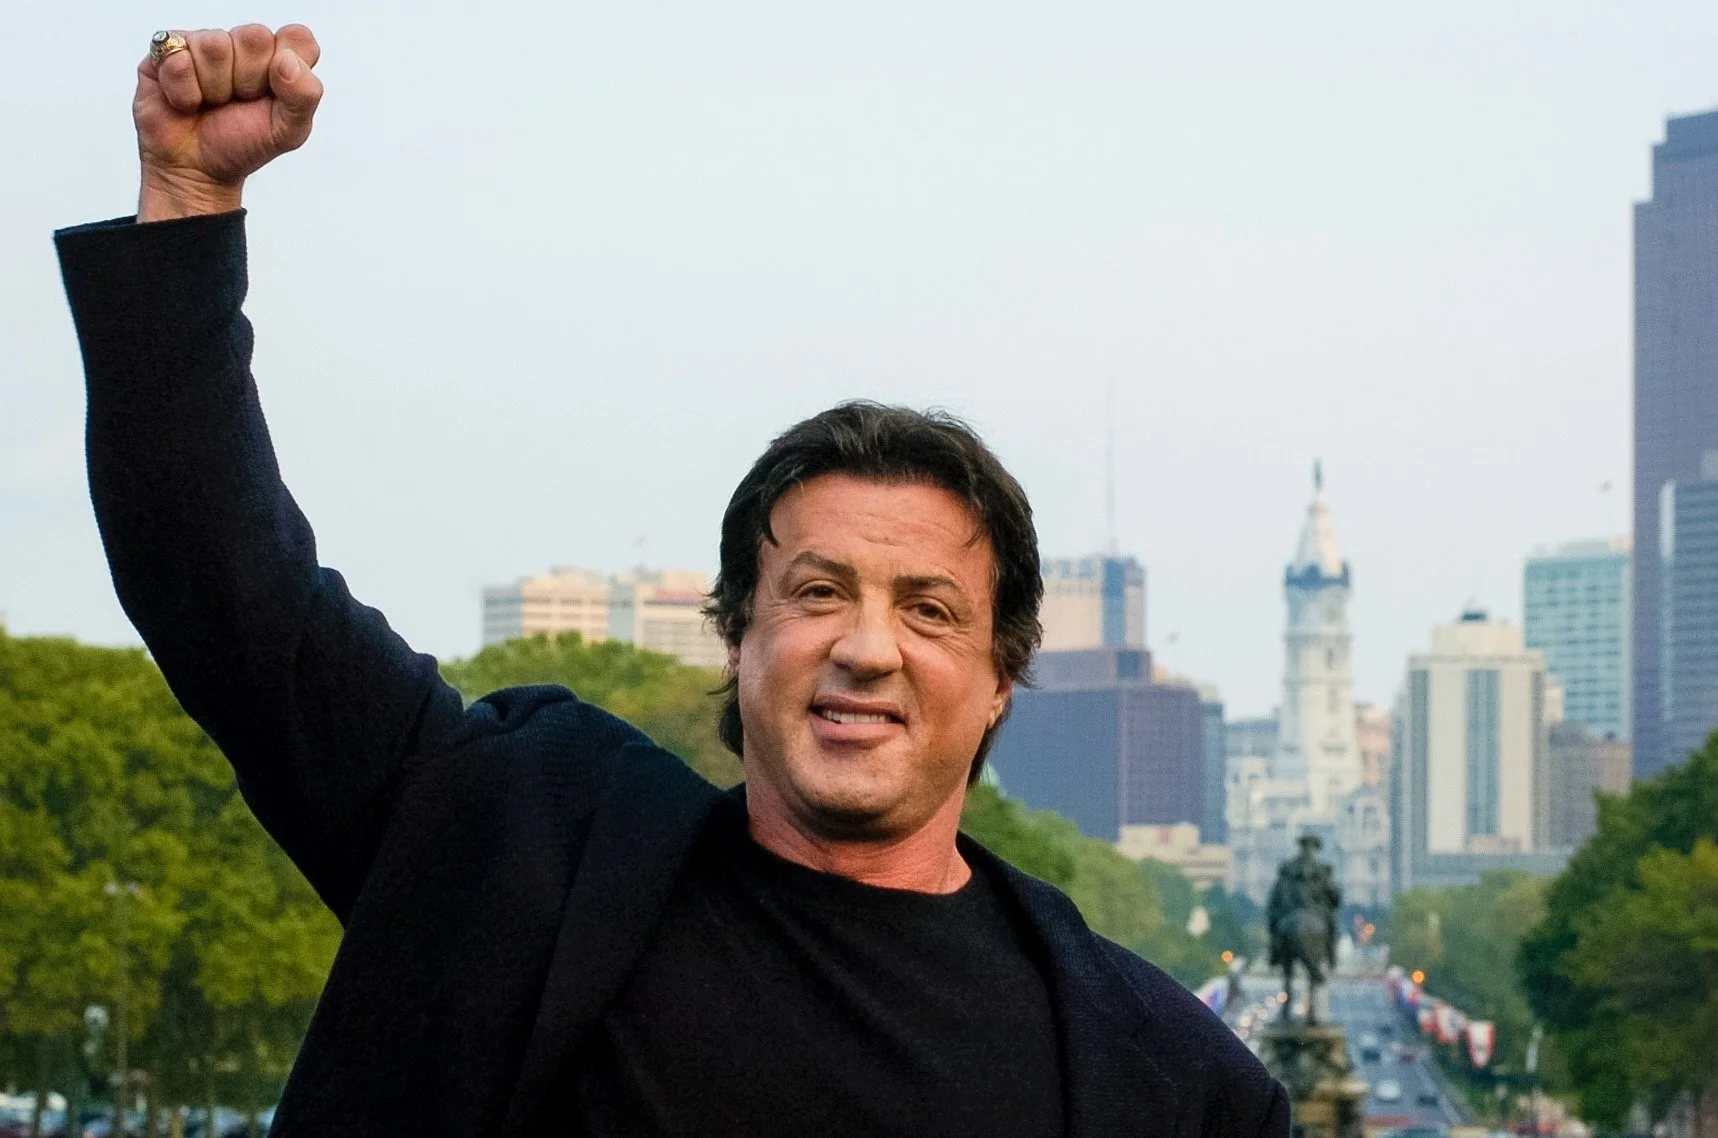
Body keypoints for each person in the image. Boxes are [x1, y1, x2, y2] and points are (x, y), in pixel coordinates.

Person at [55, 23, 1288, 1137]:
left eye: (927, 610)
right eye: (816, 592)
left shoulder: (1171, 1085)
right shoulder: (518, 842)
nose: (866, 645)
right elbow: (223, 588)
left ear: (1000, 682)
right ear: (736, 637)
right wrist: (188, 197)